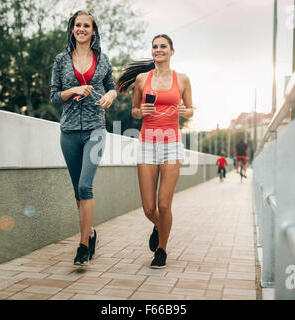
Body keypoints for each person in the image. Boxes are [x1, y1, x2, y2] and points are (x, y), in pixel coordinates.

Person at [116, 34, 194, 269]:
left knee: (164, 205)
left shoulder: (182, 79)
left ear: (171, 51)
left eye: (163, 46)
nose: (158, 50)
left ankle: (161, 250)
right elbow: (135, 112)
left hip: (171, 143)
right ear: (152, 51)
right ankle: (160, 226)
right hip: (147, 143)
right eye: (155, 47)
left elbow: (191, 110)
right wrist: (142, 111)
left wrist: (183, 111)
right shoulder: (141, 79)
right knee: (149, 208)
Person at [50, 10, 117, 266]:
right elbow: (54, 96)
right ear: (72, 29)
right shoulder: (61, 60)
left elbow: (111, 86)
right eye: (77, 25)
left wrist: (110, 95)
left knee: (85, 186)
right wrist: (74, 90)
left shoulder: (102, 59)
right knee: (78, 193)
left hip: (95, 129)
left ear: (93, 30)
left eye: (86, 25)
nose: (81, 29)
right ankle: (91, 232)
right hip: (68, 132)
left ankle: (82, 246)